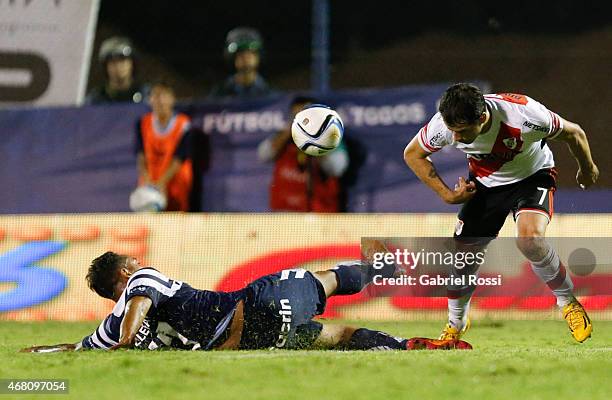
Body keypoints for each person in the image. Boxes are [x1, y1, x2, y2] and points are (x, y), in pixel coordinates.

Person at [403, 83, 599, 343]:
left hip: (532, 178)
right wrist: (447, 194)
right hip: (485, 186)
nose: (456, 139)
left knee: (530, 240)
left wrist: (587, 168)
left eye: (462, 132)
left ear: (482, 118)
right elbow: (413, 154)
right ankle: (455, 325)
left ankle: (568, 303)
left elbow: (574, 133)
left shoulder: (526, 115)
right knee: (462, 258)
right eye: (453, 131)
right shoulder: (444, 125)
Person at [20, 241, 472, 353]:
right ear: (124, 271)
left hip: (251, 340)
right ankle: (393, 266)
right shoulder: (142, 282)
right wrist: (125, 341)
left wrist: (41, 350)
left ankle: (406, 346)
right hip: (252, 307)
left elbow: (78, 346)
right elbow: (138, 303)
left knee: (336, 335)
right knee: (323, 278)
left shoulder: (108, 327)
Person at [258, 96, 350, 212]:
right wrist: (286, 134)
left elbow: (336, 168)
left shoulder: (331, 138)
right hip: (285, 214)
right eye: (296, 117)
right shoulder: (282, 137)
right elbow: (263, 155)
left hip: (319, 215)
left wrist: (316, 141)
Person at [135, 81, 193, 211]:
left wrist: (161, 184)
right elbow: (140, 154)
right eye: (155, 96)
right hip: (150, 179)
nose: (160, 100)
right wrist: (148, 181)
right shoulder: (142, 123)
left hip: (173, 180)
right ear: (150, 100)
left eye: (164, 95)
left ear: (172, 99)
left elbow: (179, 158)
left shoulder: (184, 125)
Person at [209, 27, 271, 98]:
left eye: (250, 53)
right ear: (232, 59)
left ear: (258, 57)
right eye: (241, 54)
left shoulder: (269, 93)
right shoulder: (220, 93)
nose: (246, 59)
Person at [86, 36, 150, 104]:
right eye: (113, 62)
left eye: (122, 60)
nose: (118, 66)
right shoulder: (95, 99)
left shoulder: (146, 95)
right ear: (105, 67)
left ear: (132, 64)